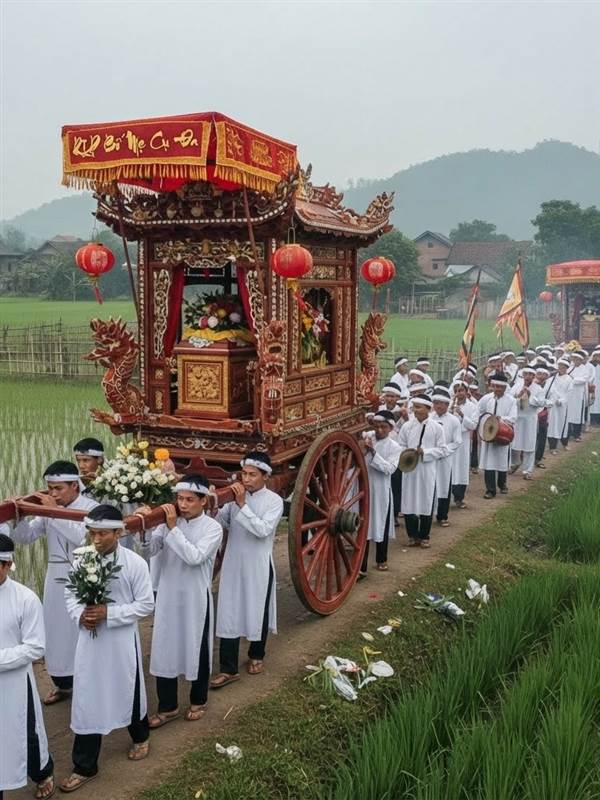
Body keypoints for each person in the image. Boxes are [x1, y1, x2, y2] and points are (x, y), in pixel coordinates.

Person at [60, 505, 154, 792]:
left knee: (128, 686)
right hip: (90, 642)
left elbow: (146, 604)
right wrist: (81, 615)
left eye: (103, 534)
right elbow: (70, 595)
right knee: (88, 696)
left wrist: (109, 614)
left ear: (119, 533)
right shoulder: (82, 559)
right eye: (92, 533)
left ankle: (140, 736)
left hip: (121, 641)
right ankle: (84, 765)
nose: (96, 539)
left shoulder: (135, 563)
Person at [140, 475, 223, 728]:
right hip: (168, 595)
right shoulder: (167, 524)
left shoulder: (212, 528)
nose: (183, 504)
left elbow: (194, 557)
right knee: (164, 647)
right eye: (179, 499)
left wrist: (173, 528)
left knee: (197, 646)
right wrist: (146, 528)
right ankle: (168, 706)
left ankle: (198, 700)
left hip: (195, 598)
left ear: (203, 501)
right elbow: (150, 551)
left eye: (189, 499)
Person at [12, 461, 97, 705]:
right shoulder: (50, 508)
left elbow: (83, 539)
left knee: (82, 629)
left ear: (75, 485)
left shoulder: (92, 508)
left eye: (58, 488)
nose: (53, 493)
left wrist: (52, 511)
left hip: (86, 576)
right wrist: (19, 517)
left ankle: (87, 682)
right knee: (56, 629)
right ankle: (63, 682)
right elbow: (26, 537)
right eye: (50, 488)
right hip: (55, 577)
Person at [210, 452, 284, 688]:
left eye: (252, 475)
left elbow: (262, 530)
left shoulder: (274, 501)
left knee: (257, 608)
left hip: (258, 564)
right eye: (244, 474)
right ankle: (228, 668)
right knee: (229, 610)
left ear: (265, 476)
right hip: (233, 562)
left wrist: (242, 505)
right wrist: (213, 508)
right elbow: (221, 522)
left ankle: (256, 654)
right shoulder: (234, 499)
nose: (247, 479)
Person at [0, 535, 54, 800]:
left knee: (26, 732)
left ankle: (42, 772)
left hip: (15, 684)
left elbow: (35, 647)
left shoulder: (25, 598)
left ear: (6, 564)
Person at [396, 394, 446, 548]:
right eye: (414, 407)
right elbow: (400, 446)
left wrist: (426, 452)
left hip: (426, 470)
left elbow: (442, 450)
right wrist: (408, 453)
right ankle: (412, 536)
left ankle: (424, 536)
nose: (415, 410)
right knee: (409, 501)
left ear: (428, 409)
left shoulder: (437, 427)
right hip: (409, 470)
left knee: (426, 501)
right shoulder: (407, 426)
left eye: (419, 407)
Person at [359, 410, 402, 575]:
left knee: (380, 523)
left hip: (381, 490)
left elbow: (389, 469)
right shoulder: (368, 436)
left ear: (391, 428)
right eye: (377, 426)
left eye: (384, 427)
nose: (380, 430)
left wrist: (373, 452)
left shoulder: (395, 447)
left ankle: (381, 559)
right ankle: (361, 566)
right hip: (364, 486)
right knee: (363, 525)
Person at [478, 373, 518, 499]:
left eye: (500, 387)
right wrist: (484, 424)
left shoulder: (511, 401)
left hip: (503, 434)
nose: (497, 389)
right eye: (495, 386)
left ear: (505, 388)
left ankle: (502, 483)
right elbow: (479, 412)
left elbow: (513, 417)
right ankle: (490, 490)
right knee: (489, 462)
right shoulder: (486, 399)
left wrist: (501, 419)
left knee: (502, 460)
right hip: (488, 434)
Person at [430, 389, 461, 527]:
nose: (438, 406)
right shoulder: (429, 419)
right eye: (436, 403)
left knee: (443, 485)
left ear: (447, 404)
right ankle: (427, 514)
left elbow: (457, 441)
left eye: (441, 403)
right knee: (429, 485)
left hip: (445, 458)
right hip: (430, 457)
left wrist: (443, 451)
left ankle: (442, 516)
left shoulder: (454, 421)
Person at [510, 367, 542, 480]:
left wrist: (530, 395)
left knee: (529, 444)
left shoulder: (538, 388)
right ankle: (514, 463)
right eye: (526, 374)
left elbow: (541, 403)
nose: (528, 376)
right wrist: (518, 396)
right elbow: (509, 399)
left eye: (530, 374)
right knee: (514, 443)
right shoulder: (517, 386)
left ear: (534, 376)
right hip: (518, 418)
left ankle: (527, 470)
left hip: (530, 419)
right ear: (523, 375)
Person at [450, 380, 479, 508]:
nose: (458, 393)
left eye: (461, 390)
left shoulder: (472, 407)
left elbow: (473, 425)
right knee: (450, 468)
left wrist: (462, 415)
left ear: (467, 392)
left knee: (461, 468)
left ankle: (459, 498)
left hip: (463, 441)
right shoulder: (449, 404)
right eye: (456, 391)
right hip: (450, 441)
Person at [547, 358, 573, 452]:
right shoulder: (552, 379)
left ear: (566, 368)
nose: (561, 369)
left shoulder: (569, 379)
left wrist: (561, 401)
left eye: (563, 367)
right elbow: (548, 389)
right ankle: (552, 447)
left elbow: (569, 393)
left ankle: (565, 443)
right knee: (552, 425)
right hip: (552, 404)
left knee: (563, 424)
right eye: (559, 367)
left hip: (562, 406)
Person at [567, 351, 588, 441]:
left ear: (580, 360)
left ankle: (577, 434)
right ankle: (568, 433)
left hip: (579, 396)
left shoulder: (584, 369)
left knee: (578, 415)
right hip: (570, 395)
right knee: (569, 414)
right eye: (574, 359)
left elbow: (583, 380)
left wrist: (572, 379)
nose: (575, 361)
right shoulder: (570, 368)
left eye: (577, 359)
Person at [590, 349, 600, 425]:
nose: (597, 358)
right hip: (591, 387)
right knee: (592, 405)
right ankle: (592, 420)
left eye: (598, 356)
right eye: (595, 356)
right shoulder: (589, 366)